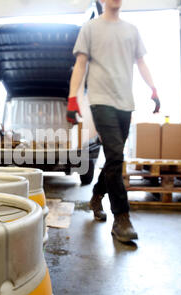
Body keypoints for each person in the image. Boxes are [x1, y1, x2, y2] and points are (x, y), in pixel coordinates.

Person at [66, 0, 160, 243]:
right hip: (100, 101)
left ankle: (97, 195)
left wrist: (153, 89)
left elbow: (141, 62)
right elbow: (80, 64)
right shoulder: (90, 28)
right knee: (117, 157)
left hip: (125, 103)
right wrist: (72, 98)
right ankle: (122, 217)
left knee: (113, 159)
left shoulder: (132, 30)